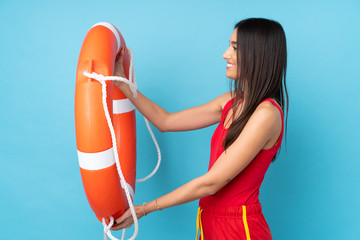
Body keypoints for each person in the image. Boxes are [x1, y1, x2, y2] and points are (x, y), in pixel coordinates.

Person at [110, 18, 288, 240]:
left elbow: (211, 183)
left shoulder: (267, 114)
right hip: (208, 221)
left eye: (235, 48)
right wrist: (122, 83)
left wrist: (145, 208)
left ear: (259, 54)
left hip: (240, 229)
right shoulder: (230, 101)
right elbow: (165, 121)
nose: (225, 54)